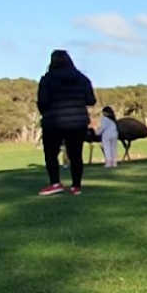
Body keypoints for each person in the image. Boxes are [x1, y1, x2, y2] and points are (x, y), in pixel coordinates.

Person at [37, 50, 97, 196]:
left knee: (51, 153)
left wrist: (45, 112)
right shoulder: (82, 78)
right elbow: (91, 100)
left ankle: (55, 183)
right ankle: (76, 186)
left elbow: (43, 102)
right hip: (78, 122)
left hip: (53, 121)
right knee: (76, 154)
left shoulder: (47, 79)